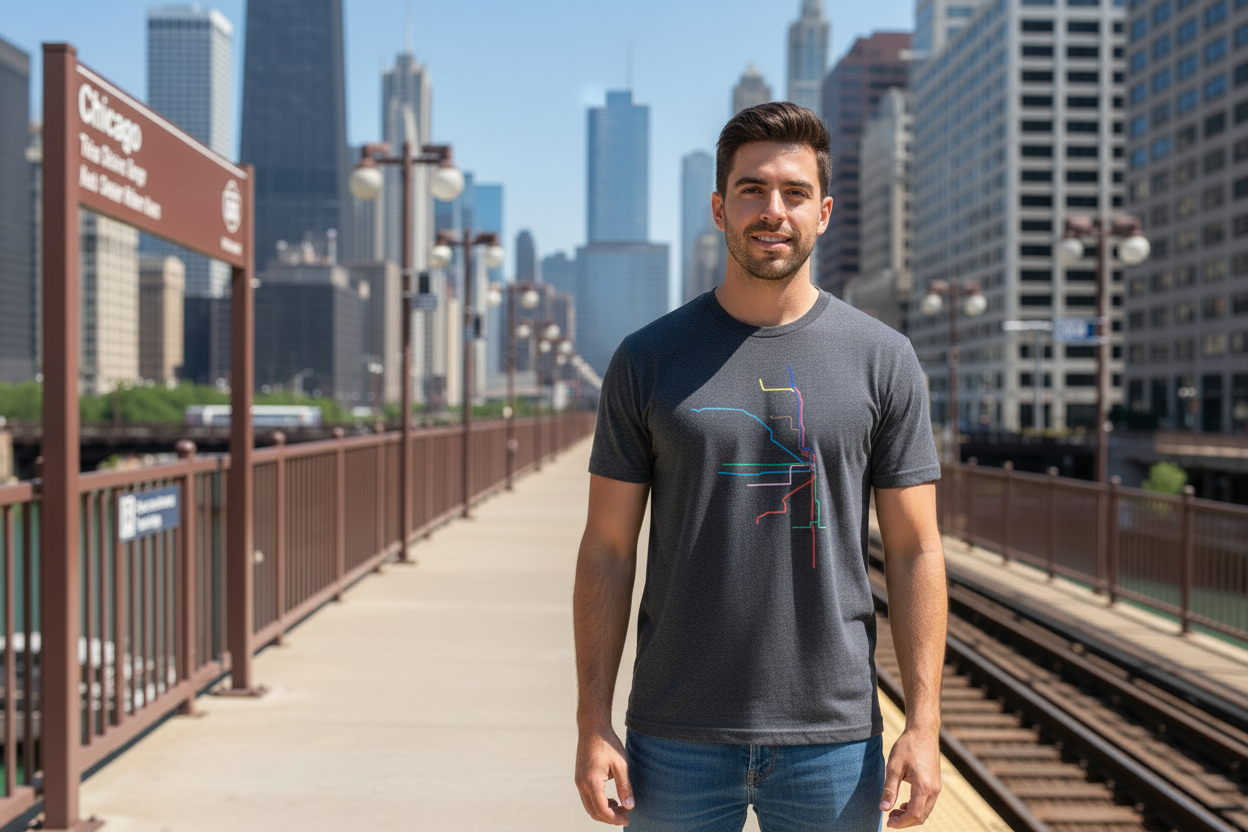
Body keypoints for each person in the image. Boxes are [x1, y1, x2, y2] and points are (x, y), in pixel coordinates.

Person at [573, 101, 947, 831]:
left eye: (794, 193)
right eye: (751, 190)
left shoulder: (884, 359)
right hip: (673, 735)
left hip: (833, 739)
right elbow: (607, 548)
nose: (772, 211)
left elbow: (916, 549)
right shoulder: (648, 359)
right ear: (719, 208)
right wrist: (593, 721)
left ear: (825, 211)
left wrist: (924, 726)